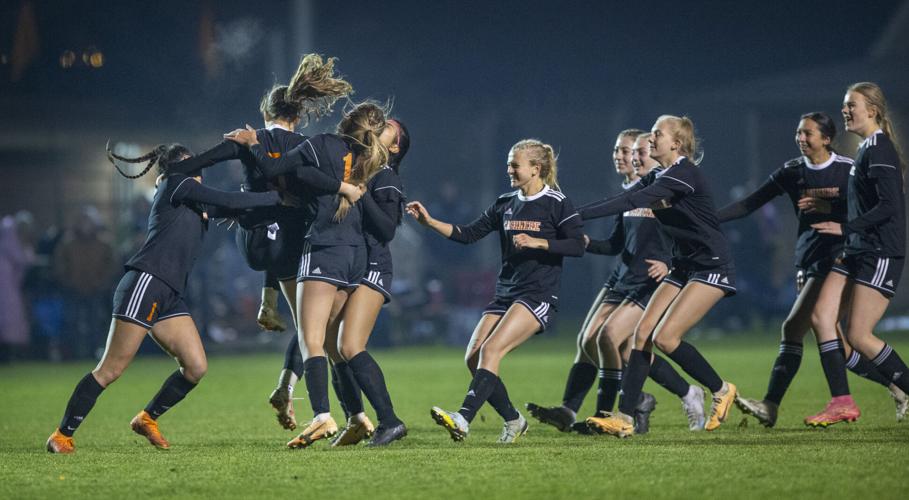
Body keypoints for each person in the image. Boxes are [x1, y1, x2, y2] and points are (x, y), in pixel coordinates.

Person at [45, 143, 307, 453]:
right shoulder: (175, 183)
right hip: (146, 281)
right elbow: (229, 199)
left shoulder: (194, 199)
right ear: (177, 167)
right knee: (111, 369)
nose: (198, 168)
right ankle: (62, 434)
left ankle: (147, 418)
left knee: (195, 367)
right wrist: (277, 197)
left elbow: (239, 207)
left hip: (170, 293)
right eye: (191, 163)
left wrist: (283, 198)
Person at [168, 53, 355, 431]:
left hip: (249, 240)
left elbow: (200, 160)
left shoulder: (246, 138)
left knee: (278, 242)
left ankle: (268, 306)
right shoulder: (308, 145)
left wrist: (172, 174)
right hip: (289, 245)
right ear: (298, 116)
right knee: (311, 333)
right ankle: (290, 386)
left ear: (265, 112)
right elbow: (319, 190)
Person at [721, 112, 906, 427]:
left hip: (841, 257)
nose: (801, 138)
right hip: (811, 260)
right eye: (798, 132)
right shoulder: (792, 171)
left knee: (815, 325)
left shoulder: (847, 170)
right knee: (825, 338)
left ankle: (794, 403)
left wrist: (831, 211)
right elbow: (749, 204)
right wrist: (708, 219)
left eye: (808, 133)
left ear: (826, 138)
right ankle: (896, 387)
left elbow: (871, 210)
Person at [227, 101, 392, 448]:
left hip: (322, 250)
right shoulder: (367, 162)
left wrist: (252, 143)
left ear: (345, 122)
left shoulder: (321, 144)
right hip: (354, 257)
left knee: (310, 339)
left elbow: (275, 170)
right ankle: (358, 417)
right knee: (333, 344)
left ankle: (321, 415)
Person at [407, 139, 585, 443]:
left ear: (536, 168)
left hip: (537, 294)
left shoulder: (557, 202)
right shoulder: (506, 202)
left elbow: (578, 244)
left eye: (515, 164)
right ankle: (514, 420)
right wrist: (429, 222)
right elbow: (468, 234)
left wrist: (540, 242)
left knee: (492, 350)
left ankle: (463, 418)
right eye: (508, 163)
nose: (509, 169)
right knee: (473, 358)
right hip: (506, 293)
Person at [526, 131, 704, 435]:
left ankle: (622, 408)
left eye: (632, 151)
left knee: (611, 339)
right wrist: (588, 242)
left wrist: (672, 264)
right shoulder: (631, 192)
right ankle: (579, 409)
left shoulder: (665, 191)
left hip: (649, 280)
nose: (625, 156)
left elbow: (693, 232)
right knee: (590, 341)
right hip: (622, 276)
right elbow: (616, 244)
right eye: (620, 150)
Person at [581, 115, 737, 437]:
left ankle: (721, 389)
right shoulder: (658, 175)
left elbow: (630, 200)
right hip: (683, 264)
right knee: (642, 335)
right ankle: (624, 418)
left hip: (711, 264)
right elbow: (622, 199)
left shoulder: (683, 175)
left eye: (657, 133)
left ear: (676, 144)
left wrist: (577, 214)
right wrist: (578, 214)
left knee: (665, 338)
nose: (650, 138)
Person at [807, 82, 909, 426]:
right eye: (844, 105)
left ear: (873, 111)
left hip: (880, 251)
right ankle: (843, 400)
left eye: (852, 105)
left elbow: (890, 206)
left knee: (859, 336)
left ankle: (901, 384)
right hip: (856, 249)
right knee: (822, 318)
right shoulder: (867, 147)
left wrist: (845, 228)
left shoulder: (880, 149)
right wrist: (831, 207)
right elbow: (864, 202)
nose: (845, 110)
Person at [325, 119, 411, 447]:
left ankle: (390, 421)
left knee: (349, 346)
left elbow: (388, 230)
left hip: (373, 266)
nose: (379, 125)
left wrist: (361, 196)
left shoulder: (386, 176)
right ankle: (355, 420)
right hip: (351, 265)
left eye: (388, 126)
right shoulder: (360, 170)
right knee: (332, 348)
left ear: (394, 147)